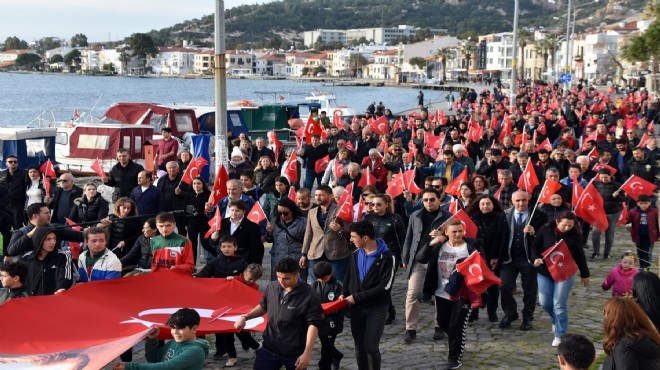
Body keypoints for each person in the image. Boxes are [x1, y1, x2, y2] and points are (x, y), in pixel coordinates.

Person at [415, 219, 487, 370]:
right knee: (442, 323)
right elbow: (420, 258)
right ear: (446, 233)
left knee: (456, 326)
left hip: (464, 293)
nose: (458, 234)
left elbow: (482, 268)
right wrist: (431, 243)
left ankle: (454, 359)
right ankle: (457, 341)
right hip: (442, 292)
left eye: (460, 231)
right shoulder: (439, 246)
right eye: (454, 231)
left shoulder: (472, 246)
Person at [235, 257, 322, 370]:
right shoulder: (272, 287)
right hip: (269, 347)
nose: (281, 281)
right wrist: (245, 317)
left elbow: (313, 325)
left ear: (297, 275)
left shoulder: (309, 295)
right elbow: (263, 306)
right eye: (278, 277)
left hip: (294, 352)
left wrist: (307, 353)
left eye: (286, 278)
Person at [194, 235, 258, 366]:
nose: (226, 249)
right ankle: (229, 354)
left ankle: (255, 345)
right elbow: (204, 274)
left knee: (238, 329)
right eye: (224, 246)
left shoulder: (242, 263)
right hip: (219, 302)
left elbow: (248, 280)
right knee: (224, 331)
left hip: (237, 303)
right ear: (220, 248)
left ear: (235, 247)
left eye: (229, 246)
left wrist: (235, 280)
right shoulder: (215, 262)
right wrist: (194, 277)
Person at [341, 220, 395, 370]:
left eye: (353, 236)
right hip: (356, 308)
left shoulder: (387, 257)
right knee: (359, 346)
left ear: (365, 238)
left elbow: (385, 287)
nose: (351, 239)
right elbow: (348, 276)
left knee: (370, 347)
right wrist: (343, 293)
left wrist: (357, 297)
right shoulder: (355, 253)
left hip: (377, 308)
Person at [531, 212, 590, 346]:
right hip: (545, 271)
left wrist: (585, 274)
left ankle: (560, 334)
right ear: (557, 222)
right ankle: (556, 320)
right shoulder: (545, 229)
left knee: (559, 304)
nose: (567, 228)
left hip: (565, 272)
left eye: (570, 225)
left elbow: (580, 255)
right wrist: (535, 258)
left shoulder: (575, 236)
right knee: (545, 303)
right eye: (564, 225)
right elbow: (535, 245)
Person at [401, 187, 451, 343]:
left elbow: (457, 237)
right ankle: (410, 329)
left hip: (440, 259)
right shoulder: (415, 215)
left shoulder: (448, 217)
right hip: (418, 259)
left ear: (439, 200)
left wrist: (443, 235)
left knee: (440, 294)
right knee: (412, 294)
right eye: (426, 200)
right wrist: (405, 257)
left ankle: (439, 326)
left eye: (432, 199)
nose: (429, 202)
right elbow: (409, 237)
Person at [499, 190, 548, 331]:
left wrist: (535, 232)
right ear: (512, 202)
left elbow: (546, 237)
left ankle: (527, 317)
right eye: (518, 200)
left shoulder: (539, 215)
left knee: (530, 290)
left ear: (528, 200)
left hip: (529, 259)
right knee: (505, 286)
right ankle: (510, 313)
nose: (521, 203)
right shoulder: (504, 215)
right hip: (509, 258)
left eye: (524, 200)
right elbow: (500, 237)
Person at [113, 308, 209, 370]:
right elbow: (154, 359)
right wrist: (152, 340)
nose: (175, 332)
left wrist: (130, 367)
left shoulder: (196, 350)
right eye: (173, 328)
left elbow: (166, 367)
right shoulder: (173, 343)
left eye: (180, 328)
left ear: (194, 329)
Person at [363, 194, 406, 324]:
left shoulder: (395, 218)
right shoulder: (368, 218)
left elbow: (403, 239)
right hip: (373, 255)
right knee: (376, 284)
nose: (375, 207)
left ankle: (386, 311)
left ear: (386, 204)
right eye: (373, 204)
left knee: (386, 285)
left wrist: (404, 258)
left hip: (390, 256)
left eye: (378, 204)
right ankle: (389, 309)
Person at [466, 194, 507, 323]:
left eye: (488, 204)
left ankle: (492, 312)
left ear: (493, 204)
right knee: (474, 284)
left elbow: (502, 237)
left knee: (493, 286)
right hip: (475, 256)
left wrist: (497, 257)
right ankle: (474, 312)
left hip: (493, 256)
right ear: (478, 205)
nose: (485, 206)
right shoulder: (471, 217)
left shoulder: (500, 217)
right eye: (482, 204)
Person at [300, 185, 351, 282]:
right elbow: (308, 234)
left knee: (338, 284)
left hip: (336, 254)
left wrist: (340, 229)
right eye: (316, 195)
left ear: (331, 196)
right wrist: (304, 254)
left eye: (321, 195)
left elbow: (350, 231)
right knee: (316, 285)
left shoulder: (341, 210)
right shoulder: (312, 212)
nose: (317, 198)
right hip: (315, 254)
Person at [6, 203, 84, 260]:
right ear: (35, 216)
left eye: (49, 212)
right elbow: (11, 251)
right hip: (31, 270)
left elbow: (79, 236)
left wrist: (90, 233)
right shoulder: (21, 232)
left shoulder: (55, 228)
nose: (50, 215)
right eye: (46, 213)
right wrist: (29, 235)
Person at [602, 298, 660, 370]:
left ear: (613, 321)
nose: (604, 318)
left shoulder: (623, 347)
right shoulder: (647, 337)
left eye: (606, 313)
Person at [311, 261, 344, 370]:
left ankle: (324, 367)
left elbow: (340, 305)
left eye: (324, 278)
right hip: (319, 320)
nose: (322, 281)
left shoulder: (338, 286)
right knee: (325, 343)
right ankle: (337, 355)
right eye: (319, 279)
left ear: (331, 273)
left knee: (326, 347)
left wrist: (327, 313)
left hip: (332, 321)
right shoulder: (315, 285)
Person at [22, 226, 73, 296]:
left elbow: (65, 277)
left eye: (55, 239)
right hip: (32, 302)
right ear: (39, 239)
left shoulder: (63, 256)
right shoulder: (26, 258)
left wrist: (60, 288)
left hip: (55, 300)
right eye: (48, 239)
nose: (53, 242)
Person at [266, 198, 307, 281]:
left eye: (285, 213)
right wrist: (269, 233)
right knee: (277, 285)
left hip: (296, 259)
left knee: (297, 284)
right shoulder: (274, 221)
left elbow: (308, 240)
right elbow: (269, 239)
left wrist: (304, 255)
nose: (282, 215)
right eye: (279, 213)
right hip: (278, 259)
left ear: (292, 211)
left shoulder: (303, 222)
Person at [211, 200, 263, 265]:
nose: (234, 213)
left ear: (244, 211)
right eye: (232, 210)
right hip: (223, 262)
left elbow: (256, 248)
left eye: (237, 210)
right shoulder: (221, 223)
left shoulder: (252, 226)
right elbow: (213, 243)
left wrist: (255, 265)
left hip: (243, 262)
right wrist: (214, 238)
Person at [591, 169, 626, 260]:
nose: (603, 179)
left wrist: (617, 196)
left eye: (605, 177)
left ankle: (607, 253)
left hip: (613, 212)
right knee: (595, 233)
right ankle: (596, 252)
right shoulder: (596, 184)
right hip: (599, 213)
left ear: (610, 176)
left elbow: (624, 199)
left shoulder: (617, 186)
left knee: (609, 234)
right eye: (601, 177)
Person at [98, 198, 142, 262]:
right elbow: (99, 230)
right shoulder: (111, 217)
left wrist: (125, 241)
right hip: (110, 247)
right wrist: (101, 224)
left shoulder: (135, 220)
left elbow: (138, 236)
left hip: (125, 250)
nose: (126, 210)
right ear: (118, 207)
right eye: (124, 208)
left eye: (128, 208)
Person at [185, 177, 214, 263]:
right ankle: (192, 264)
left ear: (203, 185)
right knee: (192, 244)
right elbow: (186, 209)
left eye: (198, 183)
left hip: (204, 222)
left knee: (205, 243)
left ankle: (218, 256)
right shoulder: (190, 194)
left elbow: (210, 210)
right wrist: (186, 223)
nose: (196, 185)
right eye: (194, 183)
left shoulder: (208, 195)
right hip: (192, 222)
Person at [156, 161, 190, 236]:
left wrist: (181, 193)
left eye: (174, 167)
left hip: (179, 212)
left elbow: (190, 196)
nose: (172, 169)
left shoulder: (184, 180)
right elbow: (158, 194)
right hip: (165, 211)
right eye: (170, 168)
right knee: (164, 231)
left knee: (181, 232)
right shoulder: (162, 180)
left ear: (178, 168)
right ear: (166, 169)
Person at [625, 195, 658, 270]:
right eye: (641, 203)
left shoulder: (654, 211)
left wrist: (658, 235)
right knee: (639, 252)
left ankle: (646, 266)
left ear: (649, 203)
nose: (643, 205)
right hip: (638, 235)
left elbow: (657, 224)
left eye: (646, 203)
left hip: (649, 236)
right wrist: (626, 222)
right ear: (637, 203)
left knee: (647, 252)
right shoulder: (633, 211)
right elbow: (628, 220)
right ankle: (641, 266)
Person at [0, 155, 28, 229]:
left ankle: (17, 239)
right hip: (4, 204)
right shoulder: (2, 174)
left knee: (17, 225)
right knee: (5, 226)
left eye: (15, 162)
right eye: (10, 162)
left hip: (18, 203)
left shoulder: (24, 173)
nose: (13, 163)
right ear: (6, 163)